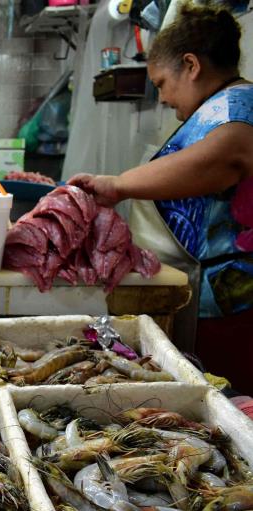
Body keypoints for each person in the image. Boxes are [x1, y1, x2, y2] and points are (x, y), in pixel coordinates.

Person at [69, 4, 253, 392]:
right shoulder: (216, 107)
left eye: (163, 82)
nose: (164, 98)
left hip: (233, 304)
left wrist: (118, 185)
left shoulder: (240, 105)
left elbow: (226, 155)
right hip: (208, 300)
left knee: (231, 404)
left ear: (191, 65)